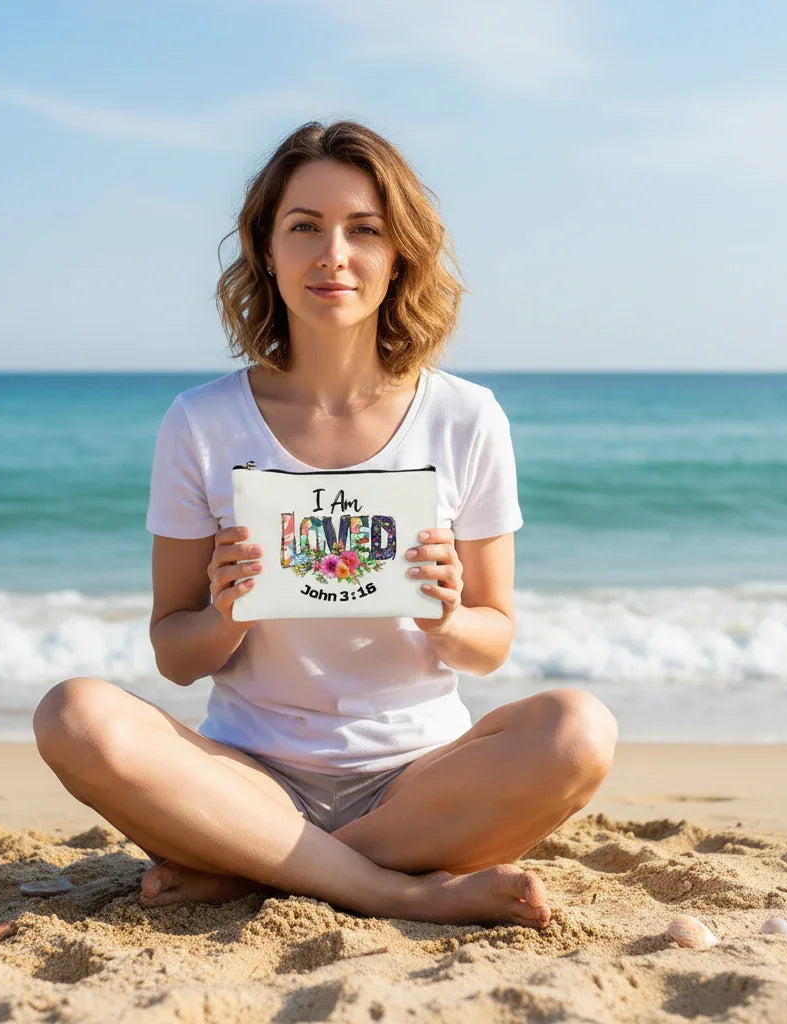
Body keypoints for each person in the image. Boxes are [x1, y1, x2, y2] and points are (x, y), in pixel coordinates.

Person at [33, 121, 618, 927]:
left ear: (398, 254)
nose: (332, 254)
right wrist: (226, 615)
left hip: (418, 781)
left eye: (363, 230)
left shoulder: (466, 418)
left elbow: (495, 641)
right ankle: (386, 887)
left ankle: (257, 866)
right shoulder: (202, 422)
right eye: (304, 226)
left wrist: (447, 619)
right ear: (267, 251)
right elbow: (173, 654)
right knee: (74, 715)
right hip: (243, 775)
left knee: (579, 732)